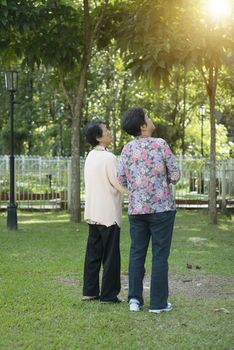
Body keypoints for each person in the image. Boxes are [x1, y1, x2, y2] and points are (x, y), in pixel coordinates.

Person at [117, 108, 180, 313]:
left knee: (137, 253)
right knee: (160, 255)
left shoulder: (127, 149)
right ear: (143, 126)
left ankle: (134, 300)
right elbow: (176, 175)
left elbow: (121, 180)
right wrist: (164, 181)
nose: (151, 120)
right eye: (148, 117)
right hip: (162, 208)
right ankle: (158, 303)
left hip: (137, 210)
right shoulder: (160, 144)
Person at [82, 119, 125, 303]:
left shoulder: (90, 156)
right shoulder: (109, 158)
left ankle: (89, 291)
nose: (109, 132)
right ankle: (108, 295)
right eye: (106, 130)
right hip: (108, 213)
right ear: (99, 137)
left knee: (93, 254)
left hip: (93, 211)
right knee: (110, 256)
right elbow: (118, 183)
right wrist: (133, 191)